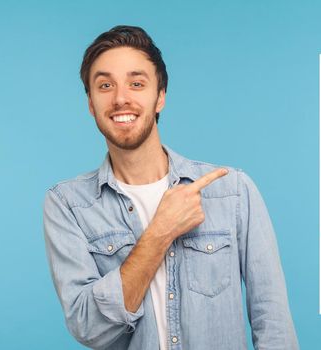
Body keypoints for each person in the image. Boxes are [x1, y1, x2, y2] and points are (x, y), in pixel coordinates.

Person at [43, 25, 298, 350]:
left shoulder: (232, 192)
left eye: (137, 83)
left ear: (160, 96)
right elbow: (90, 327)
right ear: (91, 104)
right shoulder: (67, 205)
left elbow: (273, 322)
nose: (121, 98)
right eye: (105, 85)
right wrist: (160, 231)